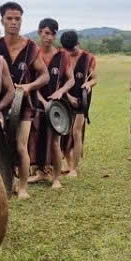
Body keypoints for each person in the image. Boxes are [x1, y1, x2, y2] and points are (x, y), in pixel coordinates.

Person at [0, 2, 47, 199]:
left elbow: (45, 75)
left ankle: (23, 187)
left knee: (21, 145)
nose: (14, 23)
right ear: (2, 21)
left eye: (17, 19)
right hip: (1, 103)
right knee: (2, 145)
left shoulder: (31, 47)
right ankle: (8, 183)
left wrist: (29, 87)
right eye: (9, 19)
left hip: (24, 105)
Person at [36, 19, 74, 190]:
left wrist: (61, 91)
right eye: (45, 33)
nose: (49, 37)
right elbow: (30, 81)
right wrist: (42, 101)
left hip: (57, 106)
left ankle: (56, 178)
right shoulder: (33, 54)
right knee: (35, 139)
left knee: (55, 142)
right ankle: (41, 172)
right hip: (36, 102)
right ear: (39, 33)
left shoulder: (62, 56)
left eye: (52, 33)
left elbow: (71, 79)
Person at [59, 30, 97, 177]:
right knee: (64, 131)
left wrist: (89, 84)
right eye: (68, 50)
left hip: (82, 99)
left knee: (76, 131)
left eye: (73, 50)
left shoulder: (88, 58)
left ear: (78, 44)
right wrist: (67, 96)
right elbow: (61, 82)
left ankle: (74, 168)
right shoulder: (61, 56)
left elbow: (94, 78)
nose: (70, 53)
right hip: (65, 98)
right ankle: (68, 165)